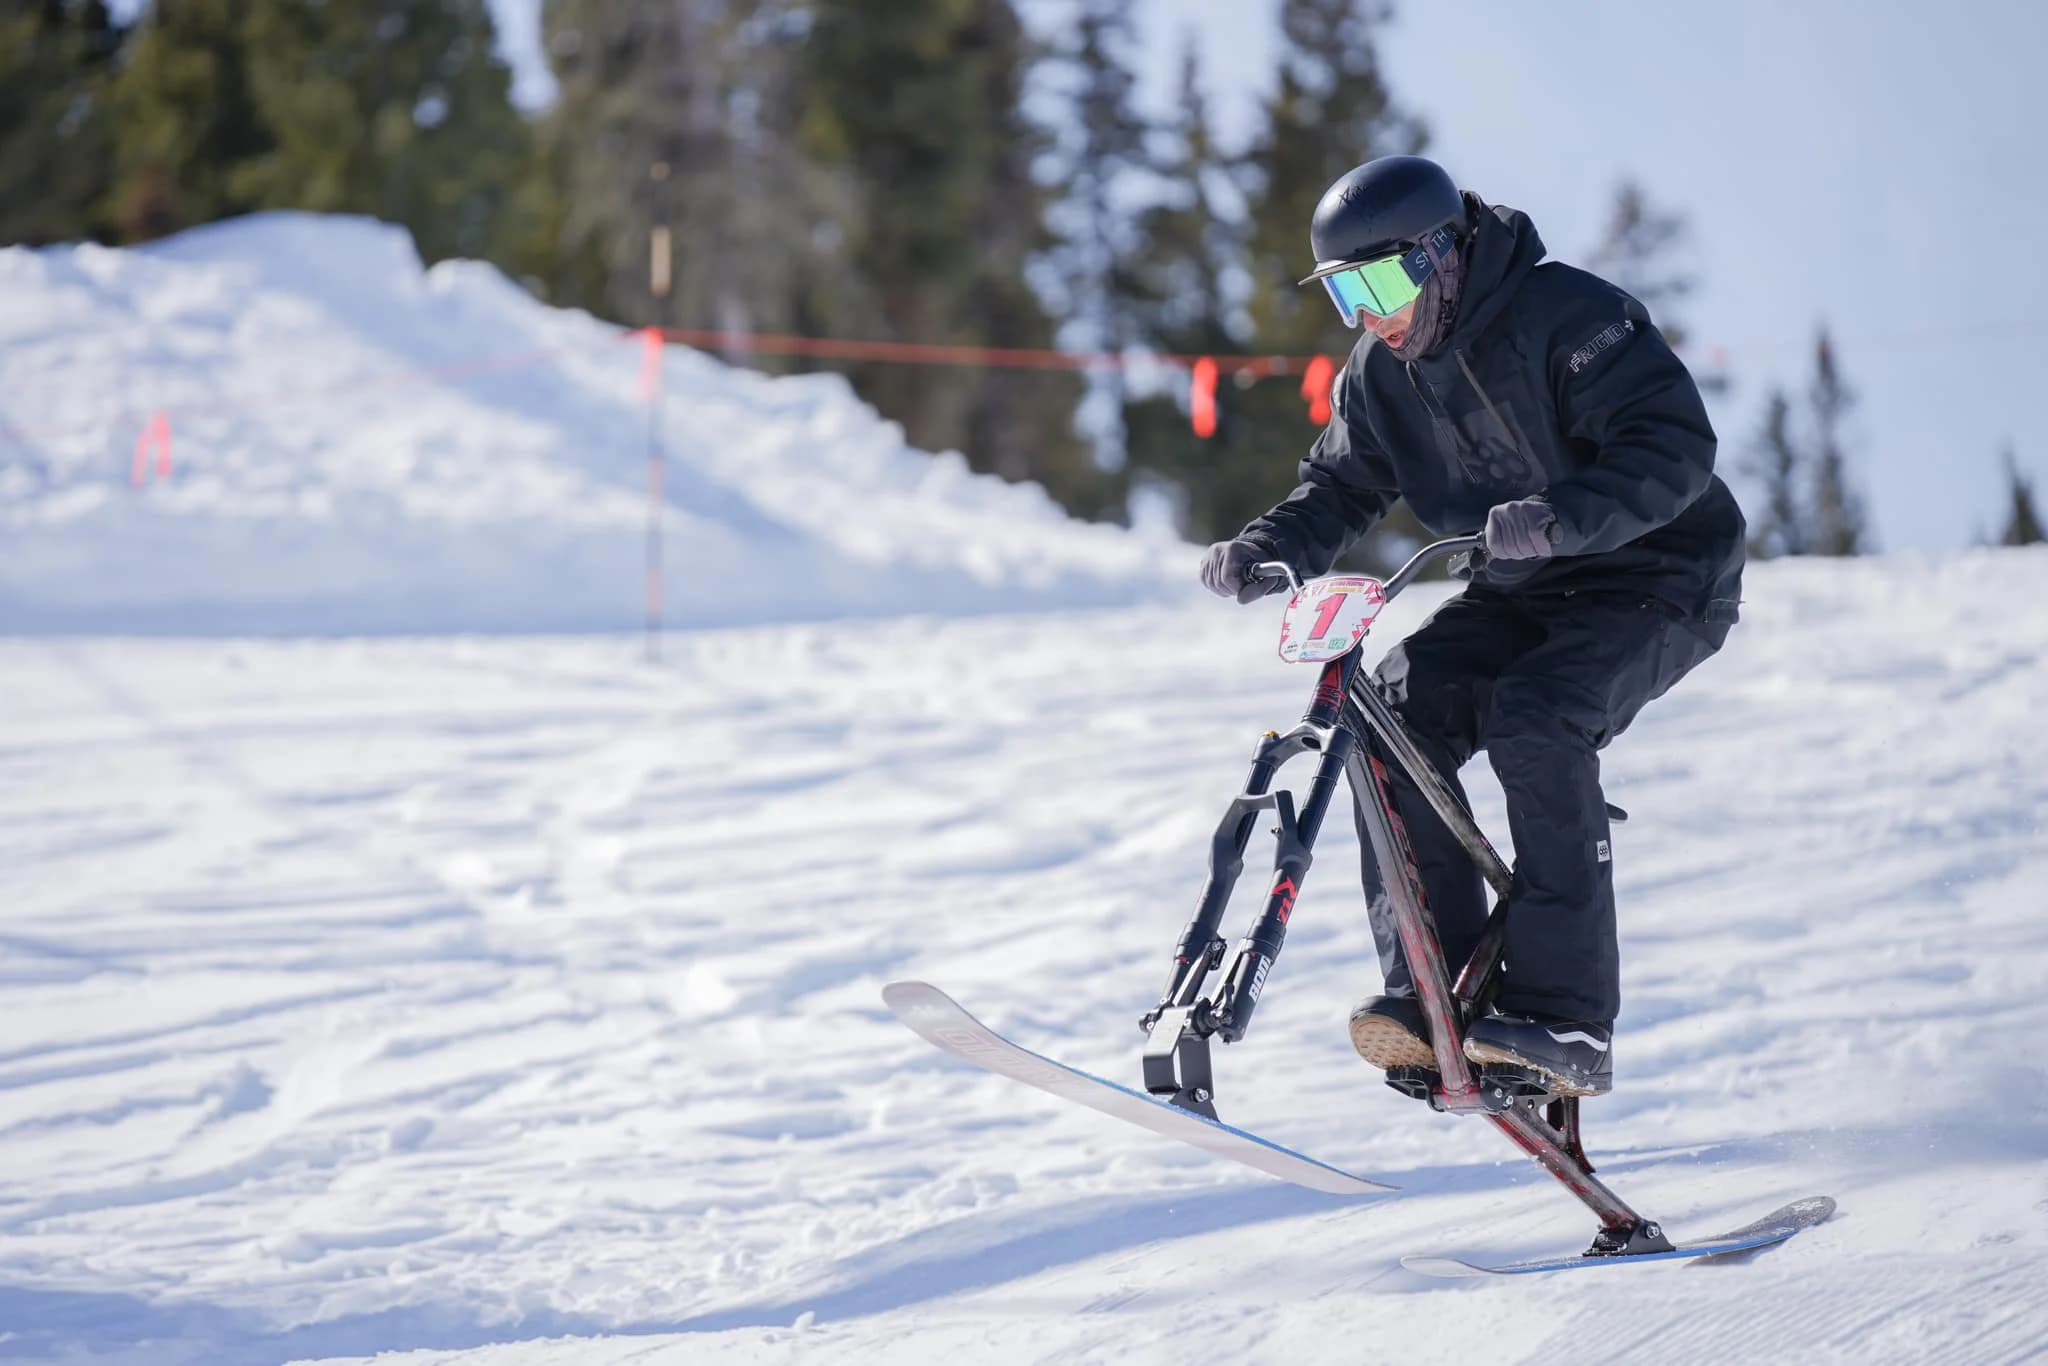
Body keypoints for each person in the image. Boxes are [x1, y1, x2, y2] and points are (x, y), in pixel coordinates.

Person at [1199, 155, 1745, 1097]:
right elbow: (1338, 484)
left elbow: (1675, 447)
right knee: (1386, 724)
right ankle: (1432, 993)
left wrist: (1568, 515)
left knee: (1538, 720)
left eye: (1382, 282)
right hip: (1524, 584)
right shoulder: (1381, 373)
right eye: (1345, 295)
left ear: (1443, 255)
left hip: (1660, 572)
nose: (1371, 314)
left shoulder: (1569, 316)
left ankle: (1567, 1021)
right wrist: (1266, 546)